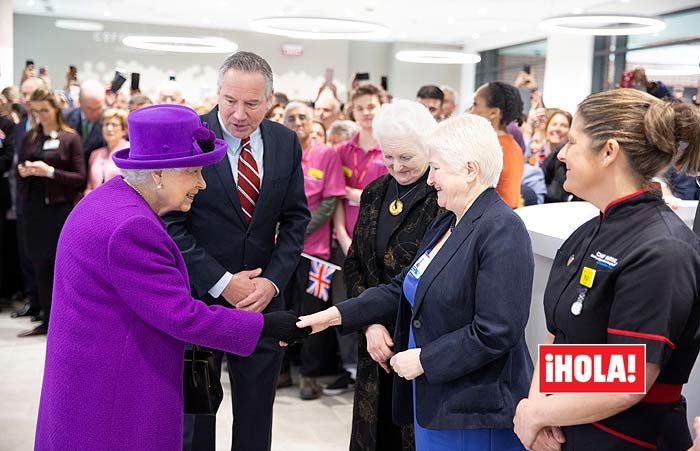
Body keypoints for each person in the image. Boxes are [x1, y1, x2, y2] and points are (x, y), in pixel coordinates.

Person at [34, 104, 307, 451]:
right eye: (194, 171)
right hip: (115, 394)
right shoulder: (132, 227)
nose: (202, 183)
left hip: (92, 380)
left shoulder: (111, 200)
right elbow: (181, 315)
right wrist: (264, 326)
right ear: (159, 174)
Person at [298, 114, 535, 451]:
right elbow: (401, 287)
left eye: (436, 169)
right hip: (436, 402)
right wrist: (329, 317)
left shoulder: (501, 228)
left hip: (474, 412)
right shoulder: (448, 223)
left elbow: (497, 330)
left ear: (470, 170)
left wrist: (425, 359)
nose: (430, 180)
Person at [513, 88, 700, 451]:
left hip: (626, 439)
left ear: (609, 151)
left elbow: (628, 378)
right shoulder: (590, 230)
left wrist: (537, 416)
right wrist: (539, 409)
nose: (561, 154)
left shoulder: (663, 250)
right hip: (568, 431)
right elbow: (560, 338)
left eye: (572, 142)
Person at [164, 51, 310, 451]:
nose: (239, 114)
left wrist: (273, 282)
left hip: (262, 306)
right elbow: (171, 223)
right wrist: (221, 282)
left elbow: (296, 219)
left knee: (256, 418)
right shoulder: (191, 137)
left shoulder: (284, 142)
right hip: (200, 301)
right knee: (196, 418)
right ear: (217, 93)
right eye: (230, 101)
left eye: (251, 103)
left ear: (270, 99)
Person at [342, 99, 442, 451]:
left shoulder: (441, 197)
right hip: (374, 341)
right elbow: (354, 263)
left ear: (428, 149)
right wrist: (369, 325)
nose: (396, 167)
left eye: (407, 158)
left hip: (418, 341)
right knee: (372, 435)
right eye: (388, 157)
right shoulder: (374, 191)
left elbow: (434, 278)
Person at [282, 101, 345, 399]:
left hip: (315, 253)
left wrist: (296, 229)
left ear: (313, 120)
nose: (297, 122)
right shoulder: (281, 154)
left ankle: (309, 375)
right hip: (281, 252)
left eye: (302, 117)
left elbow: (331, 202)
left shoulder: (326, 154)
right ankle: (282, 371)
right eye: (291, 118)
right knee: (282, 310)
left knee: (314, 314)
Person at [16, 88, 85, 337]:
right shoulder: (31, 137)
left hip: (59, 210)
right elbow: (18, 166)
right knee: (39, 263)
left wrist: (50, 172)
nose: (40, 115)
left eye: (44, 110)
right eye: (35, 111)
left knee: (61, 265)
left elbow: (80, 177)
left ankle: (67, 319)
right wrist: (24, 170)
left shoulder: (70, 138)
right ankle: (46, 318)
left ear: (56, 108)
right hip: (34, 209)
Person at [334, 84, 386, 255]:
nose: (366, 113)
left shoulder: (389, 152)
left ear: (382, 108)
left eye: (371, 107)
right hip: (343, 239)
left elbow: (384, 198)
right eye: (360, 108)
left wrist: (348, 192)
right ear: (353, 112)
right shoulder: (341, 151)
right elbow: (336, 199)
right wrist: (342, 237)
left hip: (377, 240)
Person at [9, 77, 45, 321]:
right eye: (23, 94)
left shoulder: (50, 127)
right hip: (21, 197)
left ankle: (43, 304)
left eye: (30, 94)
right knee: (25, 253)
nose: (25, 99)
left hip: (44, 201)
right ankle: (32, 300)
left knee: (41, 255)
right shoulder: (21, 125)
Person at [469, 81, 524, 208]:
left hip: (491, 220)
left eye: (475, 104)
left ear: (493, 113)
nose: (471, 111)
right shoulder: (514, 146)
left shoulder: (489, 148)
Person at [84, 108, 128, 195]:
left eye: (114, 125)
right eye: (106, 124)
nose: (109, 128)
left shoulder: (130, 151)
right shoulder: (95, 154)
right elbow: (90, 186)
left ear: (124, 130)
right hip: (96, 204)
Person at [64, 79, 107, 158]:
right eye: (89, 109)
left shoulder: (109, 121)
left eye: (98, 108)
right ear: (79, 102)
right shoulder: (65, 117)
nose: (94, 112)